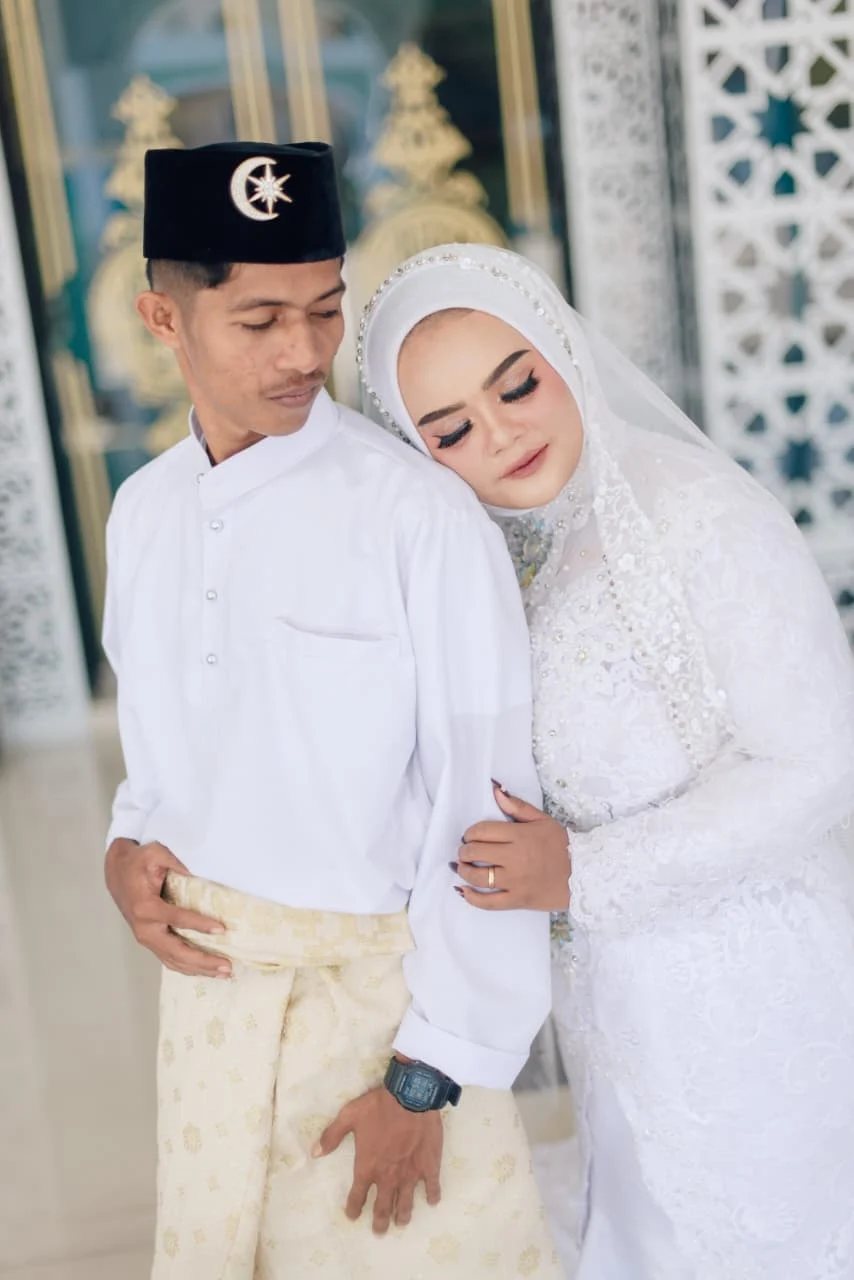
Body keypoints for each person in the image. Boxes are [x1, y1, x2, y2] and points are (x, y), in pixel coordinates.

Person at [103, 149, 561, 1279]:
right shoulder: (142, 512)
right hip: (212, 1012)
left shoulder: (417, 517)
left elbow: (487, 809)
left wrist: (428, 1073)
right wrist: (124, 845)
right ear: (164, 317)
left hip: (383, 1024)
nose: (305, 352)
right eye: (260, 320)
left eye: (323, 307)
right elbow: (156, 751)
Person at [360, 242, 854, 1280]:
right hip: (621, 1018)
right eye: (451, 429)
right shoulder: (506, 560)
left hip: (758, 1002)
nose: (501, 433)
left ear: (562, 351)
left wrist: (583, 870)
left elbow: (817, 762)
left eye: (516, 385)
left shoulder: (696, 513)